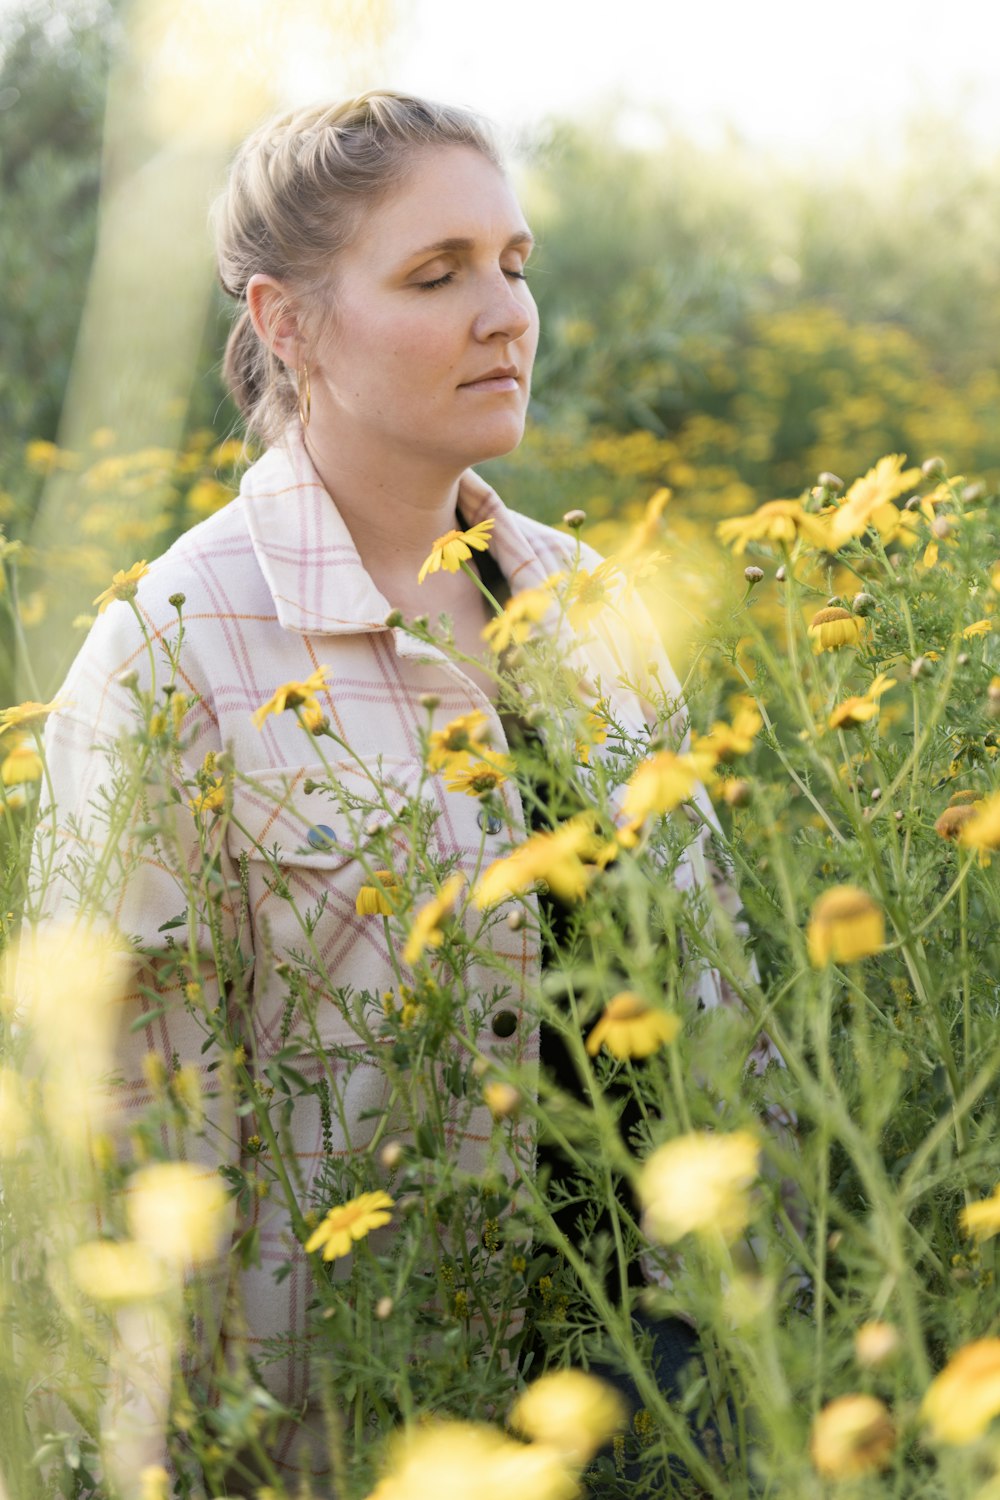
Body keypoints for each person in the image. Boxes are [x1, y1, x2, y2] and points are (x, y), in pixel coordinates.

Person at [38, 92, 772, 1493]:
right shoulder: (173, 653)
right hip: (358, 1427)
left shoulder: (591, 608)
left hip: (667, 1405)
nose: (504, 312)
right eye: (437, 275)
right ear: (289, 320)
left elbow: (729, 1012)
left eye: (515, 261)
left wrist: (771, 1342)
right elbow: (121, 1142)